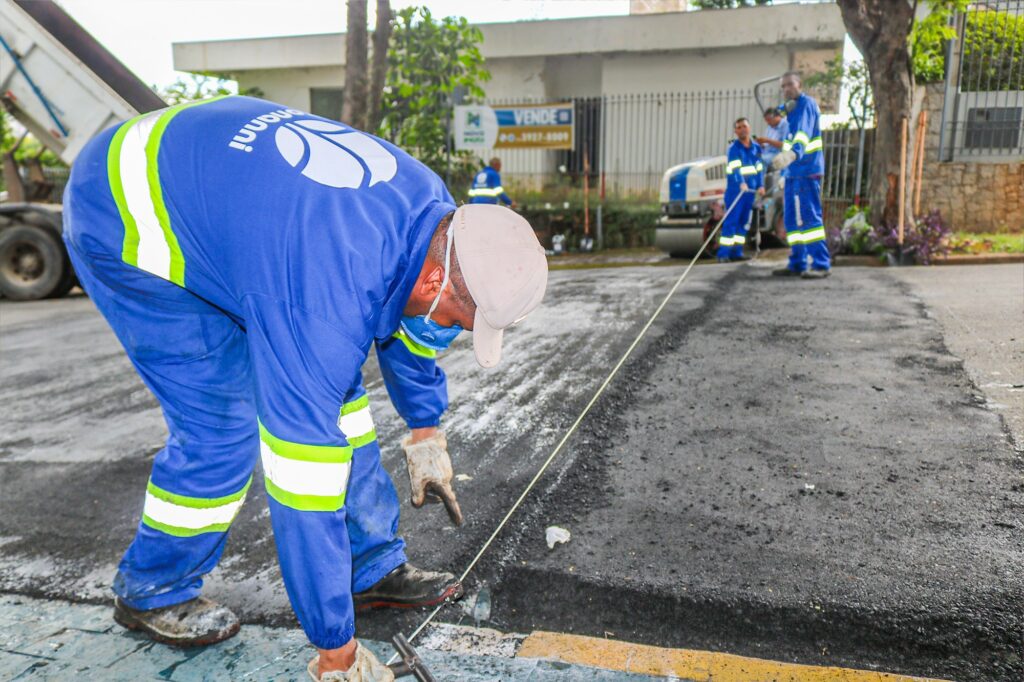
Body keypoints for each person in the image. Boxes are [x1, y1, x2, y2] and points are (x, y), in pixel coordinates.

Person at [61, 95, 548, 681]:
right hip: (124, 212)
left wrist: (426, 426)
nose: (448, 334)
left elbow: (414, 320)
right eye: (457, 322)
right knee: (226, 426)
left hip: (224, 201)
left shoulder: (436, 219)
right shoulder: (323, 290)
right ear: (442, 274)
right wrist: (335, 651)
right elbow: (302, 481)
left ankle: (368, 570)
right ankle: (153, 587)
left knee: (342, 400)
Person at [770, 72, 831, 279]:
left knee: (808, 217)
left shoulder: (806, 105)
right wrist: (785, 172)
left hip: (807, 171)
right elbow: (788, 137)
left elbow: (802, 136)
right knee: (791, 221)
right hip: (794, 173)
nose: (786, 89)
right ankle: (797, 262)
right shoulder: (792, 112)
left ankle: (821, 264)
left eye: (790, 84)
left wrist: (792, 154)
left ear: (800, 84)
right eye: (783, 86)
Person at [720, 117, 765, 262]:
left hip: (750, 193)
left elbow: (760, 169)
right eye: (738, 127)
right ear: (735, 131)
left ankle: (736, 253)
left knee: (744, 223)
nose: (742, 129)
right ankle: (724, 254)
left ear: (749, 128)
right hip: (736, 192)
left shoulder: (757, 148)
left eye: (744, 126)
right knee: (731, 222)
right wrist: (740, 183)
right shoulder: (734, 149)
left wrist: (761, 185)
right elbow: (734, 168)